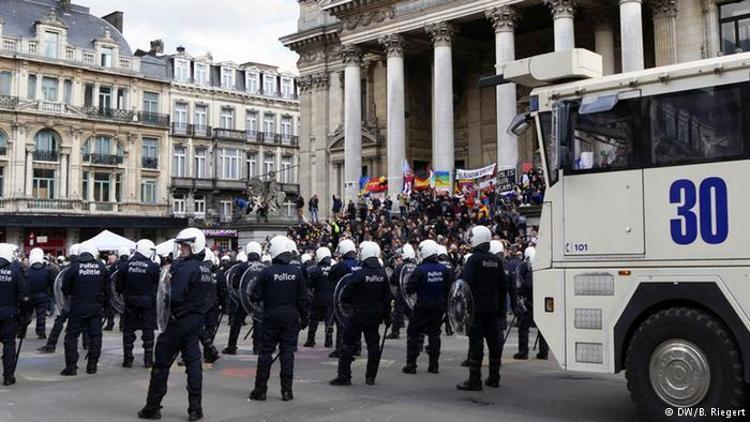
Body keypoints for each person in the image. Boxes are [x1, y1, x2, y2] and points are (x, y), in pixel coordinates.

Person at [139, 227, 213, 421]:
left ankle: (152, 407)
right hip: (195, 321)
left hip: (177, 322)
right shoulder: (206, 267)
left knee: (161, 365)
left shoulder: (186, 268)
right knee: (194, 366)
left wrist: (169, 282)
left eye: (184, 247)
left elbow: (175, 296)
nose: (181, 250)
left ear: (194, 246)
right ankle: (195, 409)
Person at [249, 235, 309, 401]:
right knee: (287, 353)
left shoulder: (267, 272)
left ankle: (260, 390)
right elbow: (304, 298)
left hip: (271, 315)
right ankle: (287, 391)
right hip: (291, 316)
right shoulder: (296, 272)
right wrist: (305, 318)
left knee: (266, 353)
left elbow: (255, 295)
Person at [329, 241, 390, 386]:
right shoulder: (382, 274)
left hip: (358, 315)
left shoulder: (358, 274)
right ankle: (370, 377)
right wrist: (388, 316)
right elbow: (387, 298)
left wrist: (349, 304)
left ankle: (344, 376)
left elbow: (345, 295)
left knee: (348, 344)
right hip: (375, 316)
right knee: (373, 346)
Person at [457, 226, 505, 391]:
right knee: (494, 344)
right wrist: (501, 311)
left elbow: (465, 283)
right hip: (492, 308)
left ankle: (475, 379)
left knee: (476, 344)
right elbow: (502, 287)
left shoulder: (474, 260)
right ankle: (494, 377)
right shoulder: (496, 261)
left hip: (476, 309)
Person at [60, 241, 110, 376]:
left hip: (77, 307)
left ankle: (71, 367)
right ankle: (92, 365)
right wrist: (106, 306)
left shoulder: (74, 268)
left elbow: (64, 288)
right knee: (96, 336)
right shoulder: (101, 268)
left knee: (71, 337)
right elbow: (108, 289)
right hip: (95, 307)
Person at [403, 240, 451, 374]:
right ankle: (434, 365)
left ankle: (411, 364)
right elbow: (449, 289)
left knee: (413, 333)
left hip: (423, 306)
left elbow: (409, 288)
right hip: (439, 306)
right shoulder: (444, 269)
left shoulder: (420, 270)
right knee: (435, 334)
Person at [115, 239, 160, 369]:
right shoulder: (153, 266)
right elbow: (159, 286)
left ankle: (127, 359)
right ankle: (148, 360)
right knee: (148, 331)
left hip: (130, 302)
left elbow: (118, 287)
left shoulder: (125, 266)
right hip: (147, 302)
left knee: (128, 330)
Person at [39, 243, 86, 353]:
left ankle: (51, 344)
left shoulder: (67, 268)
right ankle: (87, 343)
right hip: (79, 301)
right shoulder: (82, 268)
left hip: (66, 301)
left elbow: (62, 286)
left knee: (59, 322)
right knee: (85, 323)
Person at [222, 242, 261, 355]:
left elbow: (234, 284)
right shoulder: (263, 266)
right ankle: (257, 347)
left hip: (244, 300)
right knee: (258, 322)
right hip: (258, 300)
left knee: (236, 323)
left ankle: (232, 346)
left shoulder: (242, 266)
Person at [512, 246, 549, 360]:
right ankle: (544, 352)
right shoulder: (542, 265)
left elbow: (523, 284)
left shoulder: (525, 267)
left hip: (528, 301)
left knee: (524, 327)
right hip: (541, 300)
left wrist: (520, 293)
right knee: (543, 328)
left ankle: (523, 352)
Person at [327, 239, 360, 358]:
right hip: (357, 299)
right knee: (356, 323)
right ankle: (357, 347)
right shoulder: (359, 264)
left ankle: (341, 348)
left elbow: (331, 276)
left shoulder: (341, 265)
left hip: (344, 297)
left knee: (342, 323)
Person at [0, 243, 25, 386]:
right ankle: (8, 376)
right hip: (9, 314)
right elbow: (22, 296)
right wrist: (23, 315)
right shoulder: (14, 273)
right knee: (9, 345)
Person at [199, 248, 227, 364]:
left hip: (200, 305)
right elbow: (223, 291)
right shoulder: (219, 274)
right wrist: (224, 304)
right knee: (210, 329)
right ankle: (208, 352)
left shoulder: (198, 272)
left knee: (197, 329)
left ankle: (206, 351)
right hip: (213, 305)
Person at [303, 247, 333, 348]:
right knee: (329, 320)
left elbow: (309, 283)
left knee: (314, 319)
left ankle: (311, 339)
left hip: (318, 297)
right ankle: (329, 341)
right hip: (330, 298)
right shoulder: (334, 269)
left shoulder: (316, 270)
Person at [24, 247, 56, 339]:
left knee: (26, 314)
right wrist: (50, 295)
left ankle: (22, 331)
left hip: (29, 296)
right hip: (42, 295)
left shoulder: (27, 271)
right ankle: (41, 332)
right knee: (41, 316)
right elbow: (51, 283)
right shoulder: (47, 270)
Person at [386, 243, 416, 340]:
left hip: (401, 293)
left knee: (398, 313)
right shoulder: (415, 267)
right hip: (412, 295)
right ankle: (415, 331)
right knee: (412, 313)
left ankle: (395, 331)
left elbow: (393, 280)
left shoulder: (401, 267)